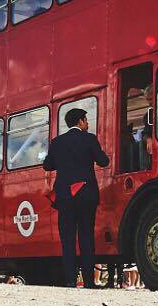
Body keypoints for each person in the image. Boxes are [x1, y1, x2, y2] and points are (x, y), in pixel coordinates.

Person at [43, 108, 109, 288]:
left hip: (65, 196)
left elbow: (47, 165)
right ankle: (89, 282)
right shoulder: (89, 139)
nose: (87, 124)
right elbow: (103, 161)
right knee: (87, 237)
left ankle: (71, 281)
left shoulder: (57, 142)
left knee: (68, 239)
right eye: (86, 121)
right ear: (80, 122)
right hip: (86, 195)